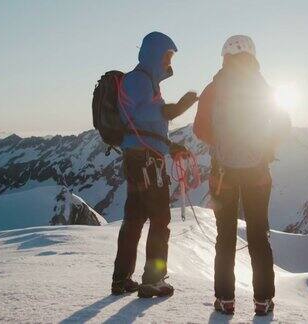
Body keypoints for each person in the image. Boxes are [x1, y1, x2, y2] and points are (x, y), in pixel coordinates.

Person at [193, 35, 291, 315]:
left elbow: (199, 129)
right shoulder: (261, 86)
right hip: (257, 174)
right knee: (259, 236)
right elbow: (284, 123)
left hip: (222, 174)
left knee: (224, 238)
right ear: (252, 55)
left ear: (225, 56)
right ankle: (263, 301)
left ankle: (225, 300)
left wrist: (221, 144)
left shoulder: (214, 88)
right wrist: (265, 147)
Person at [111, 32, 198, 297]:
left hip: (140, 158)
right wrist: (175, 108)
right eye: (167, 56)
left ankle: (121, 279)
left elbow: (144, 124)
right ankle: (153, 279)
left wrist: (170, 147)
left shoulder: (143, 80)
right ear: (154, 54)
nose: (169, 61)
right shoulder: (139, 80)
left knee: (135, 219)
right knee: (160, 219)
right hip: (147, 162)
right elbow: (137, 114)